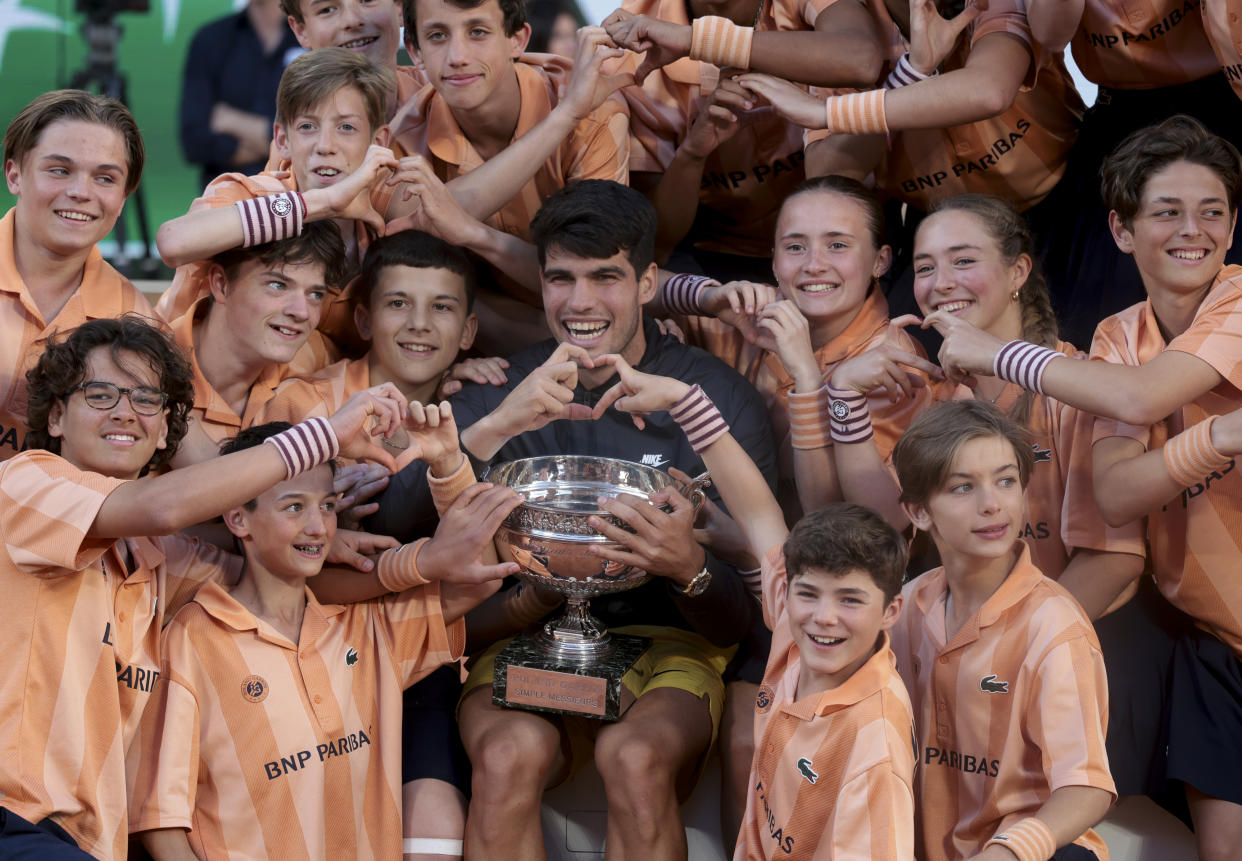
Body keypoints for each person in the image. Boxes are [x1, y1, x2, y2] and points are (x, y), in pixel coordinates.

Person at [371, 179, 777, 860]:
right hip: (523, 637)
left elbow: (749, 615)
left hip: (672, 644)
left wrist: (687, 567)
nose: (580, 301)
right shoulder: (502, 386)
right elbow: (394, 518)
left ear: (648, 281)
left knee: (636, 754)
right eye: (561, 277)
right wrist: (502, 421)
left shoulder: (716, 399)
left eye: (605, 277)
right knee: (506, 751)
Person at [929, 115, 1242, 860]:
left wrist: (998, 352)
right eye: (1166, 210)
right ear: (1122, 230)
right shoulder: (1115, 337)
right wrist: (1220, 437)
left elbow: (1137, 402)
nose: (1192, 229)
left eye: (1213, 211)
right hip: (1220, 643)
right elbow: (1124, 491)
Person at [0, 315, 413, 859]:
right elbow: (164, 505)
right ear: (56, 416)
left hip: (89, 842)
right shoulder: (25, 482)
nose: (126, 411)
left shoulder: (154, 557)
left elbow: (271, 583)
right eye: (100, 394)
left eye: (148, 400)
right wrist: (324, 437)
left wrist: (317, 538)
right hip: (15, 817)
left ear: (165, 429)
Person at [129, 415, 521, 861]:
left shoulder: (362, 625)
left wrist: (449, 465)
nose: (318, 527)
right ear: (238, 518)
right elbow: (161, 821)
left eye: (328, 506)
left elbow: (480, 579)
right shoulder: (191, 639)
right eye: (294, 507)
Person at [583, 354, 917, 860]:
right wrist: (681, 399)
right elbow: (758, 509)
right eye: (809, 594)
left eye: (850, 600)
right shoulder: (791, 626)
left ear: (890, 612)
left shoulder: (874, 745)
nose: (823, 616)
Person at [259, 230, 495, 860]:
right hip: (311, 647)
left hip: (421, 650)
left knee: (435, 826)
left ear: (469, 331)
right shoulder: (304, 401)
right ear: (362, 317)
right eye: (398, 304)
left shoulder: (470, 403)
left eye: (442, 308)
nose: (419, 325)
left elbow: (477, 548)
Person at [890, 400, 1115, 860]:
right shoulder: (907, 608)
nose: (993, 504)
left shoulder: (1055, 623)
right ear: (919, 513)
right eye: (963, 487)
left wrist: (1007, 853)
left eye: (1006, 480)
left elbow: (1086, 788)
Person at [598, 0, 887, 281]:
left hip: (840, 232)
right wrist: (693, 153)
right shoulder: (632, 44)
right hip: (715, 254)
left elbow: (861, 58)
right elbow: (657, 240)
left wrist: (696, 40)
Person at [391, 0, 631, 315]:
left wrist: (475, 234)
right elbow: (409, 245)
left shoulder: (594, 109)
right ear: (415, 49)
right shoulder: (405, 133)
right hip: (476, 327)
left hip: (588, 319)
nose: (457, 57)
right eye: (437, 36)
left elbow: (594, 279)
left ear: (517, 39)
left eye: (478, 32)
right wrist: (565, 117)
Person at [1, 90, 154, 464]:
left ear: (123, 198)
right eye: (60, 170)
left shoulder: (136, 319)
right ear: (15, 174)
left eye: (104, 178)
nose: (80, 192)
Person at [164, 223, 348, 468]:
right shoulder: (146, 369)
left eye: (315, 294)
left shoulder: (312, 354)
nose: (302, 312)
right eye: (278, 285)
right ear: (221, 284)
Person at [180, 0, 302, 188]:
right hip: (226, 200)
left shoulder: (310, 37)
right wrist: (283, 144)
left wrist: (232, 121)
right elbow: (195, 142)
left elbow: (315, 136)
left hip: (301, 199)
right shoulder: (210, 39)